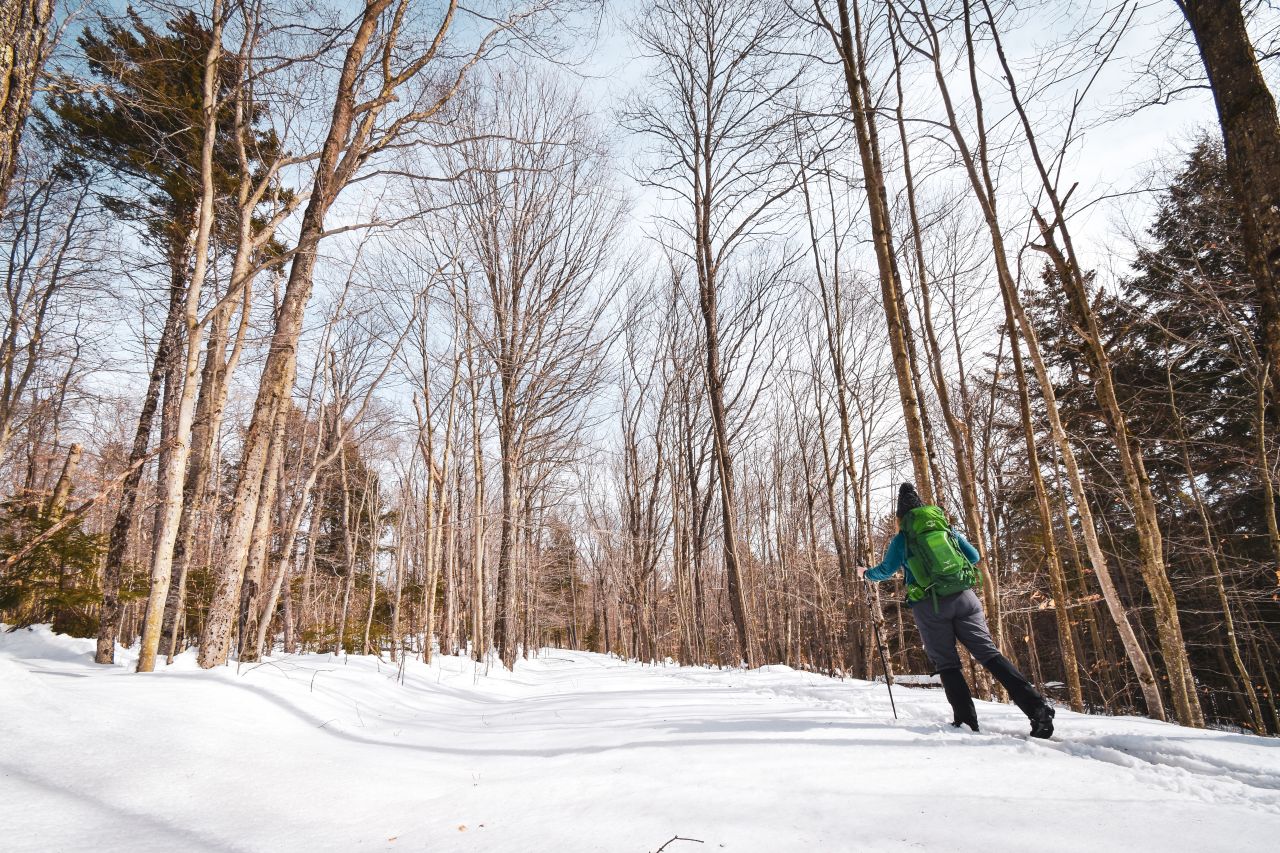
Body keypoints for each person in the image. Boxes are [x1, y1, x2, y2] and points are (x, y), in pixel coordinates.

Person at [857, 482, 1055, 738]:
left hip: (931, 606)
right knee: (990, 655)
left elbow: (885, 570)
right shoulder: (947, 531)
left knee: (948, 664)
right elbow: (973, 558)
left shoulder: (903, 539)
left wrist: (866, 574)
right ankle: (1037, 708)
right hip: (966, 599)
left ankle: (965, 722)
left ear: (901, 517)